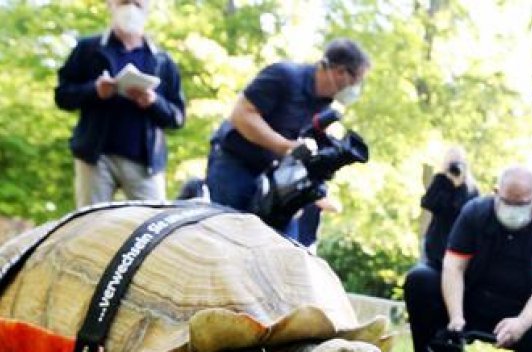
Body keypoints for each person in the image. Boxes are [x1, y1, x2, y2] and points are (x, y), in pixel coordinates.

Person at [403, 165, 532, 352]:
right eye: (507, 202)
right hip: (469, 299)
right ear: (495, 192)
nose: (512, 210)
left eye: (520, 204)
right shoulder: (475, 212)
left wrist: (521, 323)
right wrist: (456, 317)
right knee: (419, 280)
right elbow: (453, 266)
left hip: (521, 310)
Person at [205, 38, 370, 238]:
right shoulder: (284, 76)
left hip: (272, 177)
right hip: (234, 164)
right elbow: (241, 115)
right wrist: (284, 146)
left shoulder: (324, 109)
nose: (355, 88)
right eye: (356, 81)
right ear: (340, 72)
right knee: (232, 238)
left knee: (284, 245)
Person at [55, 0, 185, 207]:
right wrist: (94, 91)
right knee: (90, 224)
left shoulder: (162, 60)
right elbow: (62, 96)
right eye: (124, 2)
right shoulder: (88, 49)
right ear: (110, 5)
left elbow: (177, 117)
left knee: (153, 224)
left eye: (137, 3)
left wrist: (153, 102)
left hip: (145, 163)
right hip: (96, 158)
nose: (130, 8)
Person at [419, 147, 479, 269]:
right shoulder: (440, 180)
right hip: (436, 240)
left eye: (458, 162)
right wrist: (445, 179)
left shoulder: (471, 187)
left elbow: (464, 212)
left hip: (459, 242)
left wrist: (458, 187)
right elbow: (427, 203)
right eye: (451, 162)